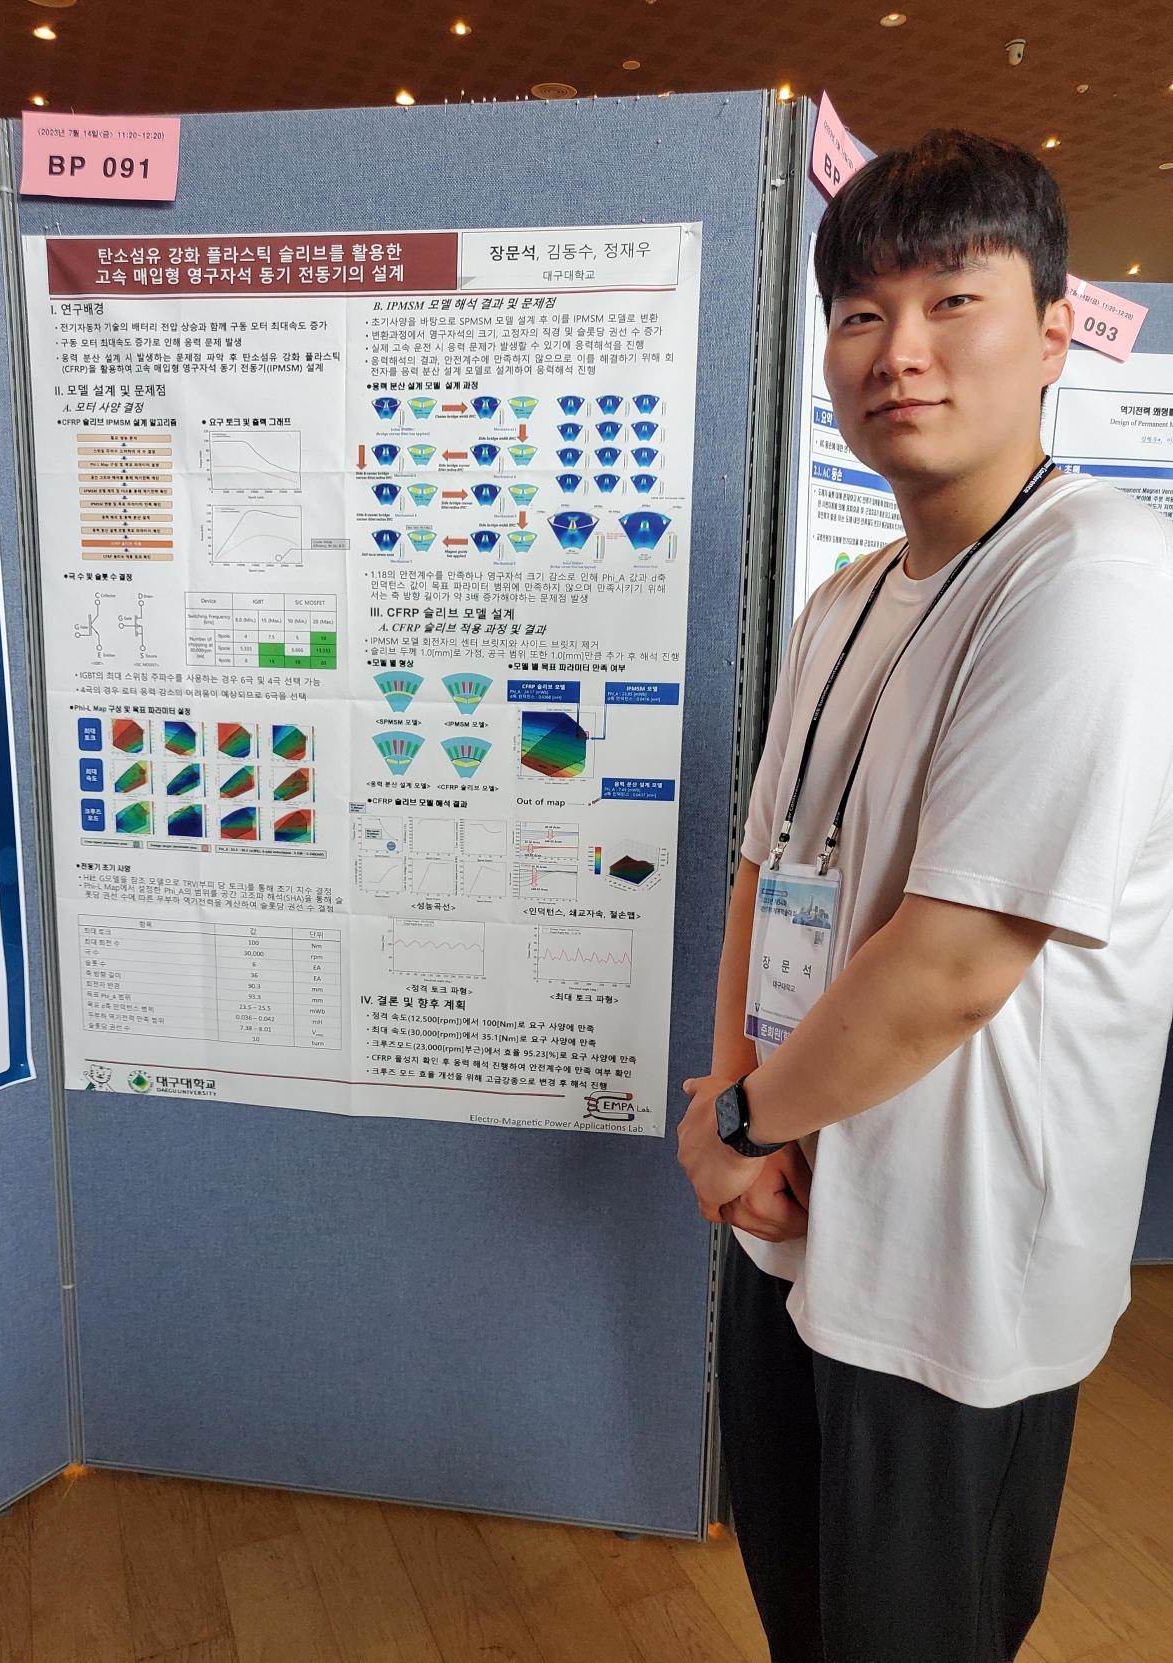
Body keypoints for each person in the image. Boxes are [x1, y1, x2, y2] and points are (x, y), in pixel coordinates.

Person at [676, 129, 1173, 1663]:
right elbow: (763, 866)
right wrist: (743, 1108)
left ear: (1055, 330)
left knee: (916, 1631)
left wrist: (736, 1125)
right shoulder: (847, 596)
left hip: (961, 1255)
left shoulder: (1096, 576)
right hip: (796, 1203)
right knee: (807, 1610)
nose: (899, 350)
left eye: (955, 300)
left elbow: (956, 961)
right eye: (860, 312)